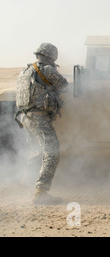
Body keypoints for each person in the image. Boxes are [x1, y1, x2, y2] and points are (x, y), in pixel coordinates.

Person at [15, 43, 68, 205]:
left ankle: (23, 183)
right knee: (51, 153)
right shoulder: (47, 70)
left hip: (24, 117)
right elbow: (64, 85)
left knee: (35, 151)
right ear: (51, 57)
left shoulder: (25, 71)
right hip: (38, 118)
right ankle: (41, 191)